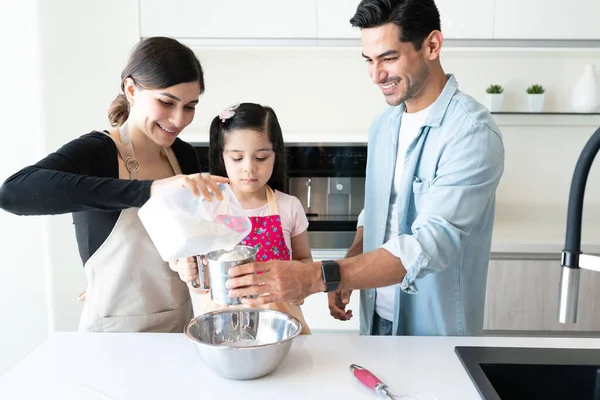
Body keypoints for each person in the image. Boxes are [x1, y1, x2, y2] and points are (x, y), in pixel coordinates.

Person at [224, 0, 505, 337]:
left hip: (434, 329)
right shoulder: (384, 125)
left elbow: (431, 243)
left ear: (432, 45)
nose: (376, 75)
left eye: (388, 58)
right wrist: (353, 258)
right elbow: (377, 210)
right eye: (369, 60)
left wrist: (322, 274)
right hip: (376, 318)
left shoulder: (470, 132)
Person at [0, 37, 228, 333]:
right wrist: (148, 190)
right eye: (166, 102)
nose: (178, 119)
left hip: (178, 329)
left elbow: (186, 244)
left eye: (190, 106)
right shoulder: (98, 152)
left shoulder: (182, 155)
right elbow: (13, 192)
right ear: (132, 90)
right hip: (113, 338)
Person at [171, 102, 313, 334]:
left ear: (275, 155)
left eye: (261, 157)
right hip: (222, 324)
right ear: (222, 157)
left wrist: (301, 286)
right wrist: (185, 269)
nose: (249, 168)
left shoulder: (289, 207)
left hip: (280, 321)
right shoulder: (209, 207)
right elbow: (196, 277)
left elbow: (304, 260)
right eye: (237, 158)